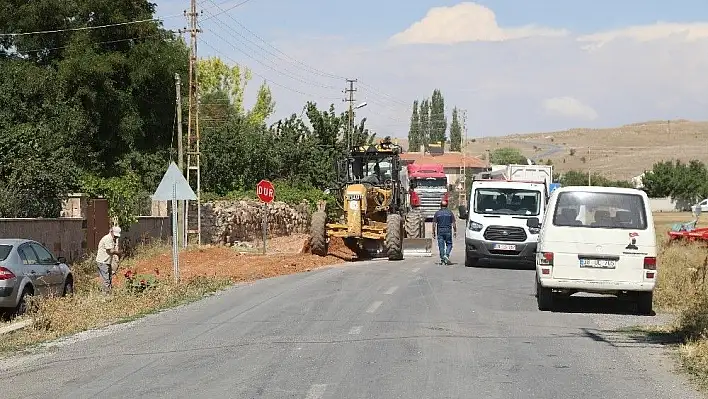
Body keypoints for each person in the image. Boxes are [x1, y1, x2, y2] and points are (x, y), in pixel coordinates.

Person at [96, 226, 122, 293]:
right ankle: (106, 297)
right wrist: (118, 254)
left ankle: (107, 293)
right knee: (106, 280)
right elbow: (111, 251)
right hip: (103, 262)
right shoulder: (108, 238)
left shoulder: (112, 239)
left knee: (108, 278)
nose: (116, 237)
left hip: (106, 262)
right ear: (111, 231)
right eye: (115, 235)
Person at [432, 199, 457, 264]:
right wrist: (455, 231)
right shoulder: (450, 213)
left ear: (440, 206)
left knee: (441, 246)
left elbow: (434, 223)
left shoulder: (437, 213)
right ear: (447, 206)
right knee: (449, 244)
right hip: (448, 231)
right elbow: (453, 223)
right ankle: (446, 255)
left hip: (440, 231)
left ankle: (443, 259)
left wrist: (433, 232)